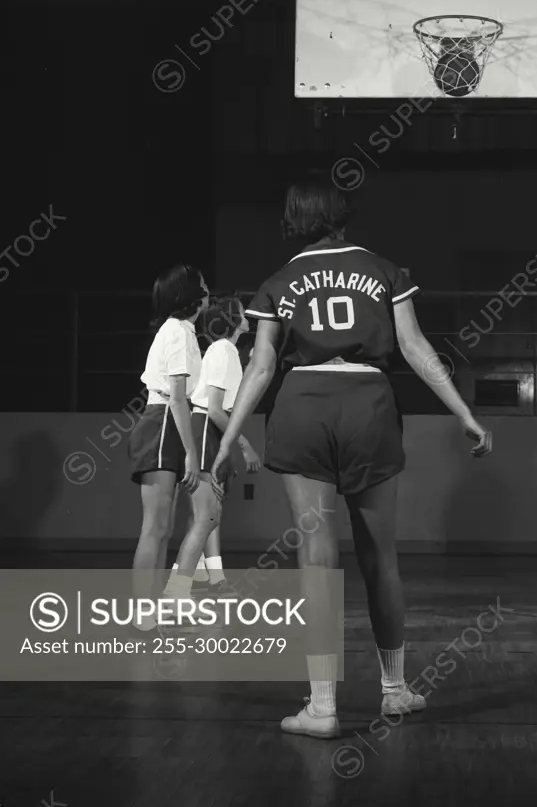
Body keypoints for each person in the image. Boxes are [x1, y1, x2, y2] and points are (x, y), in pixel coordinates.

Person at [210, 178, 492, 738]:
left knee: (315, 553)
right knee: (380, 557)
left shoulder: (276, 282)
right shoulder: (385, 270)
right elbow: (415, 349)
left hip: (302, 405)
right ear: (340, 215)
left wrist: (225, 440)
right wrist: (463, 410)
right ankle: (393, 692)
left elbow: (261, 367)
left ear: (295, 219)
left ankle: (322, 707)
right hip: (368, 404)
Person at [128, 264, 216, 628]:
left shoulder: (183, 331)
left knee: (162, 529)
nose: (209, 289)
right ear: (191, 296)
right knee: (155, 527)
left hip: (167, 425)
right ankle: (141, 615)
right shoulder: (179, 333)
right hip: (163, 424)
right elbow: (177, 398)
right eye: (204, 284)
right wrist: (192, 454)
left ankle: (152, 612)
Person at [172, 296, 262, 590]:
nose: (247, 313)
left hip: (210, 431)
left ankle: (210, 576)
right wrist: (244, 444)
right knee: (206, 515)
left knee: (208, 514)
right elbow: (214, 409)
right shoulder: (224, 350)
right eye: (241, 311)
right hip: (206, 429)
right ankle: (176, 589)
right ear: (234, 320)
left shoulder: (224, 350)